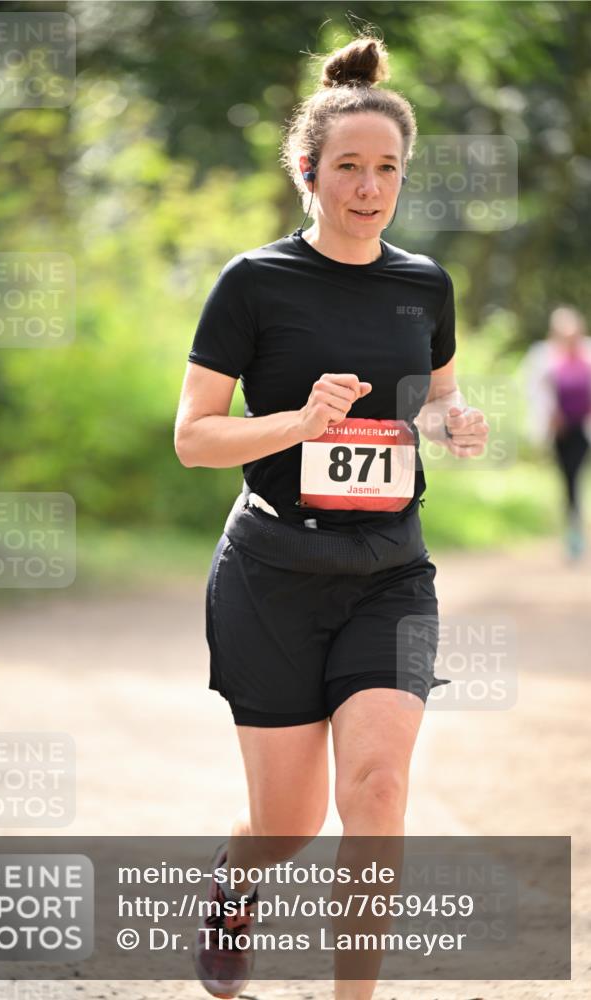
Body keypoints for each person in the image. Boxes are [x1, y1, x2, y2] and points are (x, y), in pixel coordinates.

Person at [174, 31, 489, 1000]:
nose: (369, 186)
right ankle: (234, 886)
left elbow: (432, 396)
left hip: (388, 571)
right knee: (289, 823)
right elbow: (194, 436)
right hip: (272, 572)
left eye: (386, 168)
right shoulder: (253, 283)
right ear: (307, 172)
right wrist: (296, 421)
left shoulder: (423, 284)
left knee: (377, 791)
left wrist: (452, 418)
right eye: (348, 167)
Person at [523, 306, 591, 561]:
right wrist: (549, 417)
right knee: (568, 479)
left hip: (583, 428)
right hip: (560, 431)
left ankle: (574, 530)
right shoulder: (543, 357)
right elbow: (533, 391)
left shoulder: (588, 354)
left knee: (574, 478)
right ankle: (572, 528)